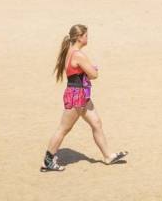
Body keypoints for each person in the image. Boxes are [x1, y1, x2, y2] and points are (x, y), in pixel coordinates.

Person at [42, 24, 127, 172]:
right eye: (86, 35)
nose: (88, 38)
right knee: (64, 128)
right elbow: (94, 75)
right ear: (79, 38)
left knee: (96, 123)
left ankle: (108, 156)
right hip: (77, 95)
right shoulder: (78, 55)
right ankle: (48, 161)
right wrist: (93, 69)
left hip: (80, 94)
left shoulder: (70, 51)